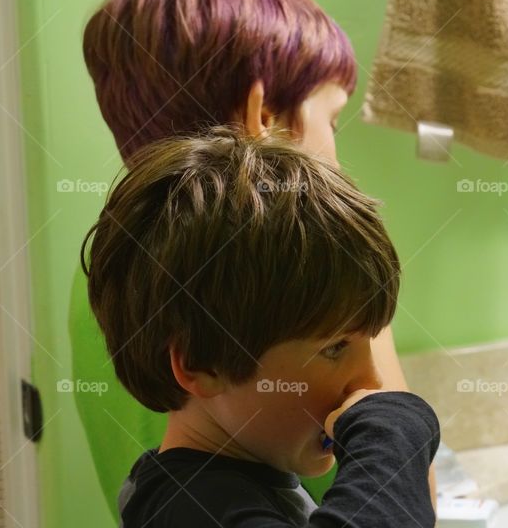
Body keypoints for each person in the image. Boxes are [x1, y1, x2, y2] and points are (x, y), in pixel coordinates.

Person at [70, 0, 432, 519]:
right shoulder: (306, 280)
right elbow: (414, 498)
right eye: (331, 123)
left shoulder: (108, 265)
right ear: (264, 118)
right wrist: (396, 426)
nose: (337, 157)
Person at [82, 127, 440, 526]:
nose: (370, 382)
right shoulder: (193, 510)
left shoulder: (246, 479)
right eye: (335, 347)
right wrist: (395, 435)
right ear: (204, 364)